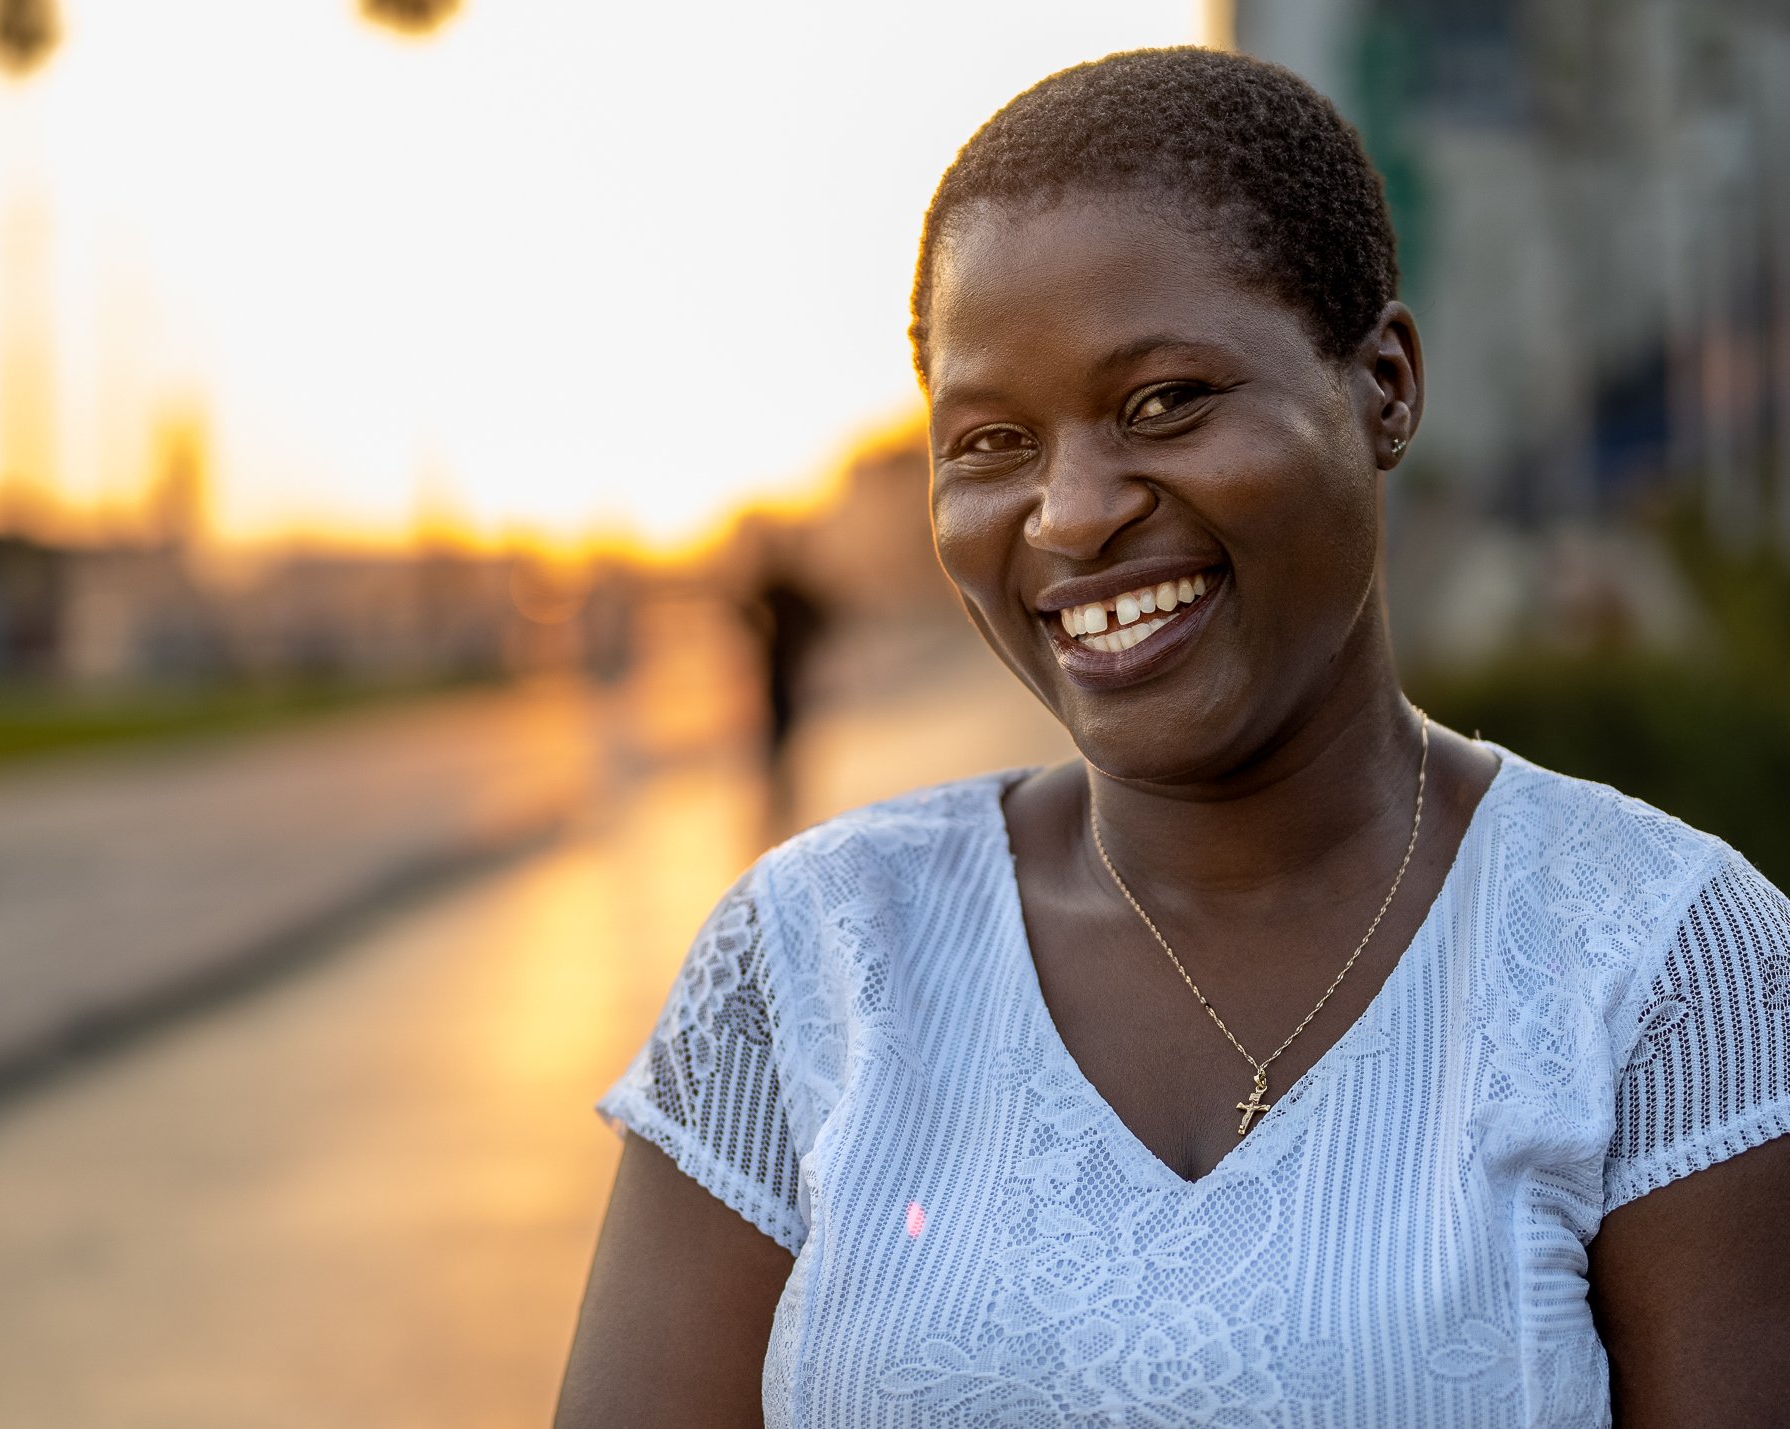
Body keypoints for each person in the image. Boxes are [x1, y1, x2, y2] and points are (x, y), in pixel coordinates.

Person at [556, 48, 1790, 1428]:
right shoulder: (807, 963)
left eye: (1166, 402)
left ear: (1384, 384)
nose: (1071, 511)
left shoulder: (1663, 961)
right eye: (989, 441)